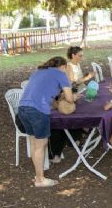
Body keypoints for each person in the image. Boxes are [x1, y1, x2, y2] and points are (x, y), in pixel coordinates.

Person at [18, 56, 80, 187]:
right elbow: (69, 98)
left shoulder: (38, 72)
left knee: (35, 144)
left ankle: (38, 176)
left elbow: (46, 95)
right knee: (41, 145)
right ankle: (40, 179)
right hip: (37, 111)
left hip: (22, 109)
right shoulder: (61, 74)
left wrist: (57, 104)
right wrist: (74, 97)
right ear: (63, 67)